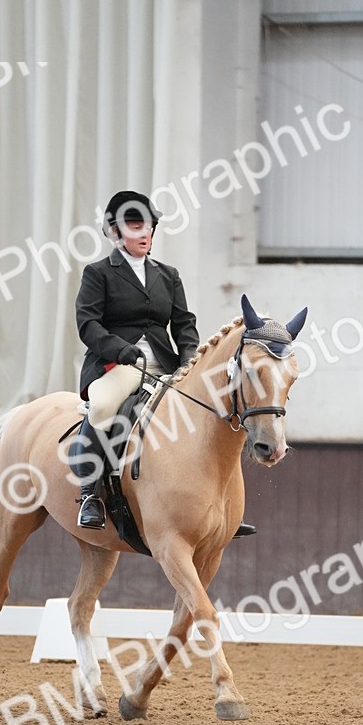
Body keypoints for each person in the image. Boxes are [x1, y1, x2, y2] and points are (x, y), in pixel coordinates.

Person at [71, 190, 256, 538]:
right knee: (103, 405)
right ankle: (90, 494)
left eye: (148, 227)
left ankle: (223, 505)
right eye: (135, 227)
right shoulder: (98, 274)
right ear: (115, 232)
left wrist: (190, 361)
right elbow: (88, 324)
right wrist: (119, 349)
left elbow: (184, 324)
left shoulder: (168, 275)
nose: (145, 234)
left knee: (219, 406)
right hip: (118, 366)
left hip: (166, 367)